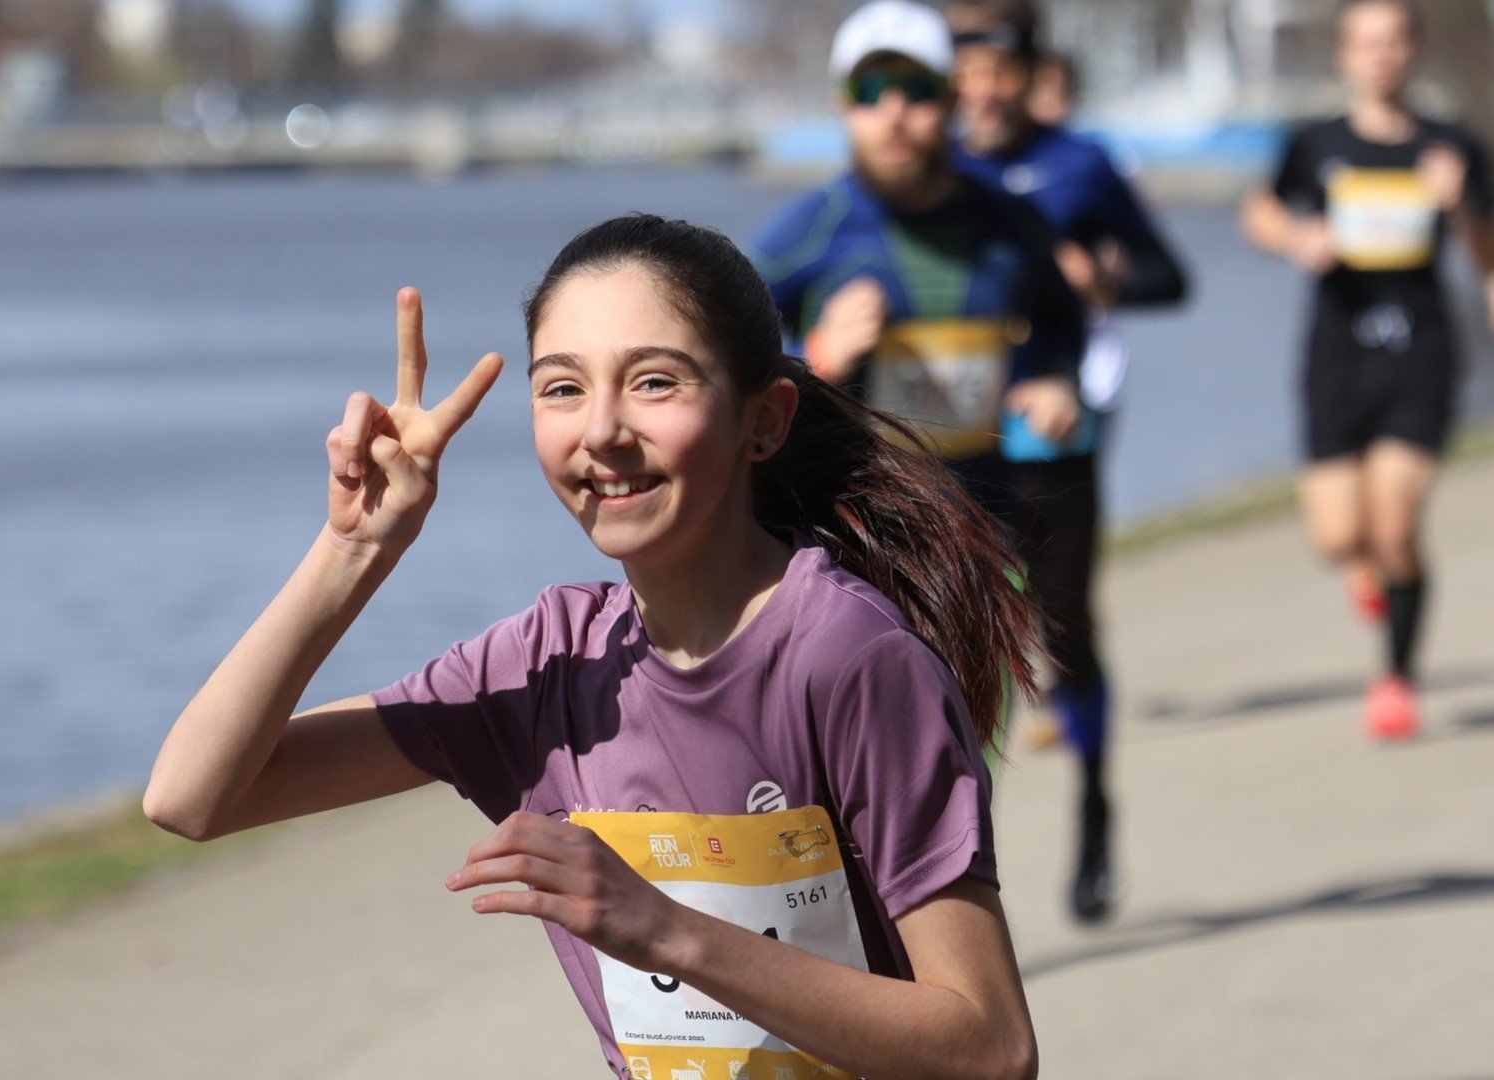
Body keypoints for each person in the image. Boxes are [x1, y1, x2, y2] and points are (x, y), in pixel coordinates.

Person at [144, 214, 1042, 1080]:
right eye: (562, 388)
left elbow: (988, 1045)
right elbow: (194, 796)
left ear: (762, 421)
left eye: (655, 382)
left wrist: (661, 929)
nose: (602, 432)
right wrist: (354, 549)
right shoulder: (549, 664)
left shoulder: (846, 656)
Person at [946, 0, 1190, 923]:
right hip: (952, 437)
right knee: (957, 644)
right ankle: (962, 859)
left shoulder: (1079, 163)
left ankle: (1093, 809)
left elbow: (1172, 274)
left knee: (1063, 627)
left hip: (1055, 427)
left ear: (1026, 72)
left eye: (997, 69)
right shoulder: (933, 172)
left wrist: (1108, 276)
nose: (981, 88)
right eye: (964, 71)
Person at [1241, 0, 1494, 740]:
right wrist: (1295, 234)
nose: (1379, 55)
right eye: (1364, 43)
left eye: (1392, 41)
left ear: (1411, 51)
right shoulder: (1315, 142)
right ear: (1346, 55)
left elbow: (1485, 257)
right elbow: (1257, 211)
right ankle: (1367, 572)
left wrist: (1461, 212)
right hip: (1334, 353)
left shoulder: (1452, 147)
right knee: (1335, 536)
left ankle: (1395, 680)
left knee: (1393, 525)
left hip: (1421, 351)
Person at [750, 0, 1085, 524]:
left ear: (953, 98)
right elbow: (722, 355)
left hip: (990, 522)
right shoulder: (808, 230)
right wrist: (815, 357)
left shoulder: (1013, 223)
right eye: (871, 92)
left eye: (918, 90)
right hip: (855, 531)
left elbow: (1064, 318)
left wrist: (1059, 381)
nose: (894, 114)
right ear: (842, 104)